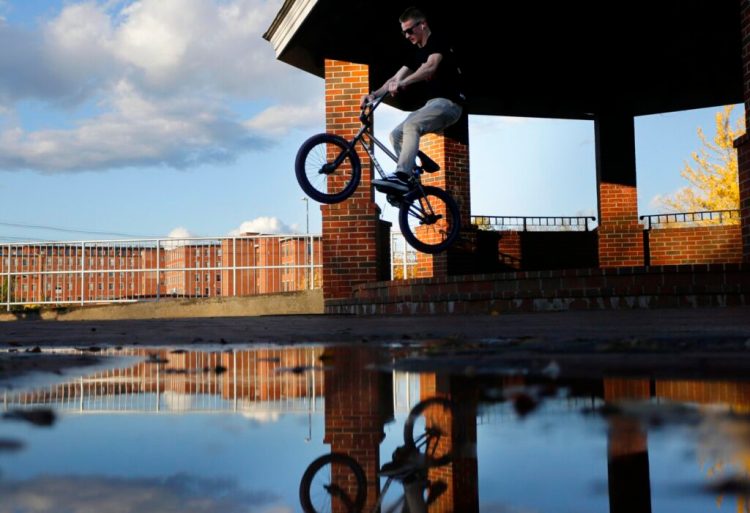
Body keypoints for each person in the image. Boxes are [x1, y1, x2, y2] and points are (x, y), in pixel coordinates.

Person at [361, 6, 465, 194]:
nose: (407, 35)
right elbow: (394, 79)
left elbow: (430, 67)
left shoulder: (438, 41)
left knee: (411, 126)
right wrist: (373, 95)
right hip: (432, 105)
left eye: (409, 30)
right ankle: (413, 175)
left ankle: (402, 176)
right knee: (396, 134)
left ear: (423, 24)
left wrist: (403, 83)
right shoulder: (414, 54)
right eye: (404, 33)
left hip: (449, 104)